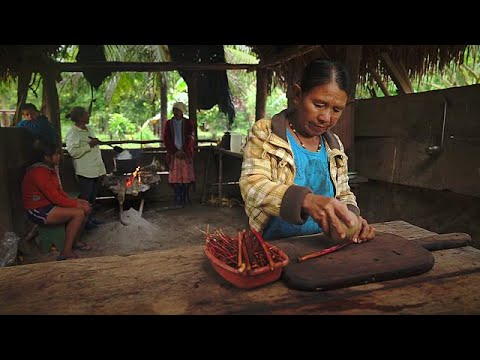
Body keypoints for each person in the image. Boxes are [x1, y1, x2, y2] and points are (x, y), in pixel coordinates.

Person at [239, 58, 376, 243]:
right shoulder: (266, 133)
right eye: (319, 105)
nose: (326, 118)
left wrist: (351, 218)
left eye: (336, 109)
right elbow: (252, 186)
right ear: (297, 95)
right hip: (274, 246)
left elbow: (343, 193)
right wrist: (306, 201)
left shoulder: (334, 145)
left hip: (321, 245)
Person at [21, 141, 92, 261]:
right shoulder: (39, 172)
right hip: (37, 209)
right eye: (56, 154)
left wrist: (79, 202)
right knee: (78, 213)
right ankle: (66, 252)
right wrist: (76, 204)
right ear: (46, 157)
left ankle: (75, 241)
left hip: (48, 204)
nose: (59, 156)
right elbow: (56, 198)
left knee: (85, 206)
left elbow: (59, 192)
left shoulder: (49, 169)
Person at [65, 106, 107, 229]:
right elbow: (73, 152)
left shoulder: (89, 129)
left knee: (93, 198)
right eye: (86, 114)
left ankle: (91, 219)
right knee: (86, 199)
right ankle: (84, 223)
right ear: (80, 117)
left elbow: (96, 151)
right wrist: (89, 145)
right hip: (85, 172)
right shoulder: (73, 133)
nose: (89, 115)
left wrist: (102, 170)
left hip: (95, 170)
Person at [163, 102, 196, 206]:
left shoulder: (188, 123)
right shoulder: (169, 123)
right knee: (176, 178)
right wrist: (175, 151)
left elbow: (191, 138)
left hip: (185, 154)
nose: (175, 112)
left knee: (186, 177)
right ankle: (178, 197)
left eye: (177, 110)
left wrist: (184, 150)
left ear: (182, 111)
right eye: (174, 110)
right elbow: (166, 139)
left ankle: (185, 196)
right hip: (174, 155)